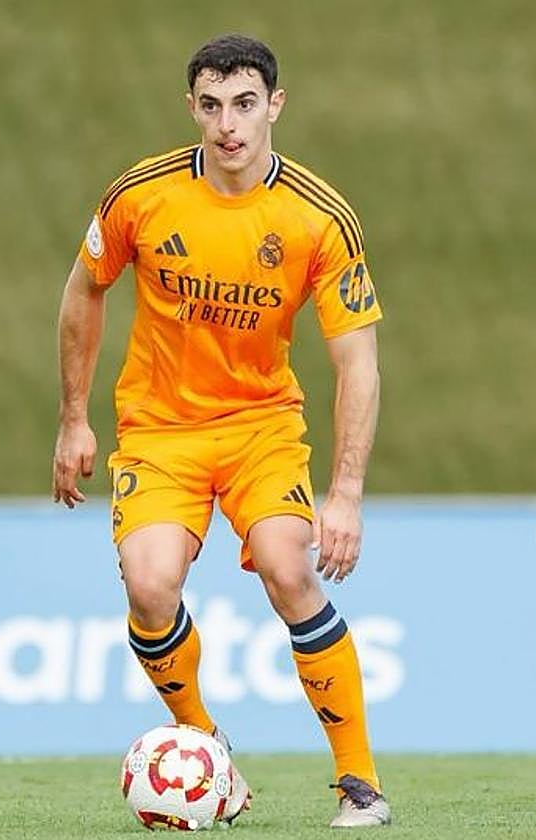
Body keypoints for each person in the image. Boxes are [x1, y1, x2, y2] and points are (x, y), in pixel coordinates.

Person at [52, 33, 389, 829]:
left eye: (244, 104)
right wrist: (73, 417)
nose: (227, 124)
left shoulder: (318, 216)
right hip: (160, 429)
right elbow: (83, 289)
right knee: (147, 583)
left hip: (261, 428)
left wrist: (345, 494)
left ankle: (359, 781)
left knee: (288, 565)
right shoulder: (140, 196)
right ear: (191, 108)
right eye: (211, 105)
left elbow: (359, 363)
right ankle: (202, 742)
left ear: (274, 105)